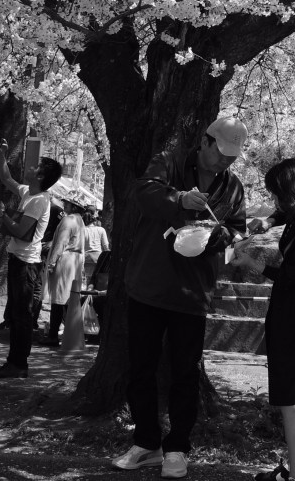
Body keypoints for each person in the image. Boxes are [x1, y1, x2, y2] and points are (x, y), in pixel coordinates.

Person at [113, 116, 248, 479]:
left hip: (193, 292)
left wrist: (216, 237)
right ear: (205, 141)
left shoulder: (233, 187)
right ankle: (146, 443)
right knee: (141, 368)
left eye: (232, 157)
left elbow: (237, 231)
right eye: (221, 153)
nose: (225, 161)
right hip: (149, 283)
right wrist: (180, 199)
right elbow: (143, 193)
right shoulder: (169, 163)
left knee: (185, 373)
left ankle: (177, 449)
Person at [230, 158, 295, 481]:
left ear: (294, 192)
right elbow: (287, 214)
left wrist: (252, 263)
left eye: (278, 195)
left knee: (291, 401)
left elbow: (290, 278)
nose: (276, 201)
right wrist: (268, 221)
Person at [0, 141, 61, 379]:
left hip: (26, 263)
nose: (30, 167)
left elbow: (20, 231)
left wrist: (2, 214)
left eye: (36, 166)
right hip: (19, 259)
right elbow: (6, 178)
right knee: (17, 314)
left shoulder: (40, 200)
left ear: (41, 176)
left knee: (21, 316)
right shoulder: (29, 192)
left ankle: (18, 364)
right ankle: (14, 363)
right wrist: (2, 154)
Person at [39, 198, 85, 347]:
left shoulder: (69, 220)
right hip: (75, 262)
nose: (64, 205)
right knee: (67, 299)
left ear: (73, 206)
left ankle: (53, 335)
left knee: (58, 299)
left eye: (67, 204)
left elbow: (61, 243)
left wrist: (52, 262)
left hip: (65, 261)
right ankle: (66, 334)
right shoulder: (80, 220)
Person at [83, 207, 109, 281]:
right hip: (98, 259)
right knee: (97, 281)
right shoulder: (101, 230)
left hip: (86, 259)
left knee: (87, 280)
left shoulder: (82, 230)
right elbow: (106, 247)